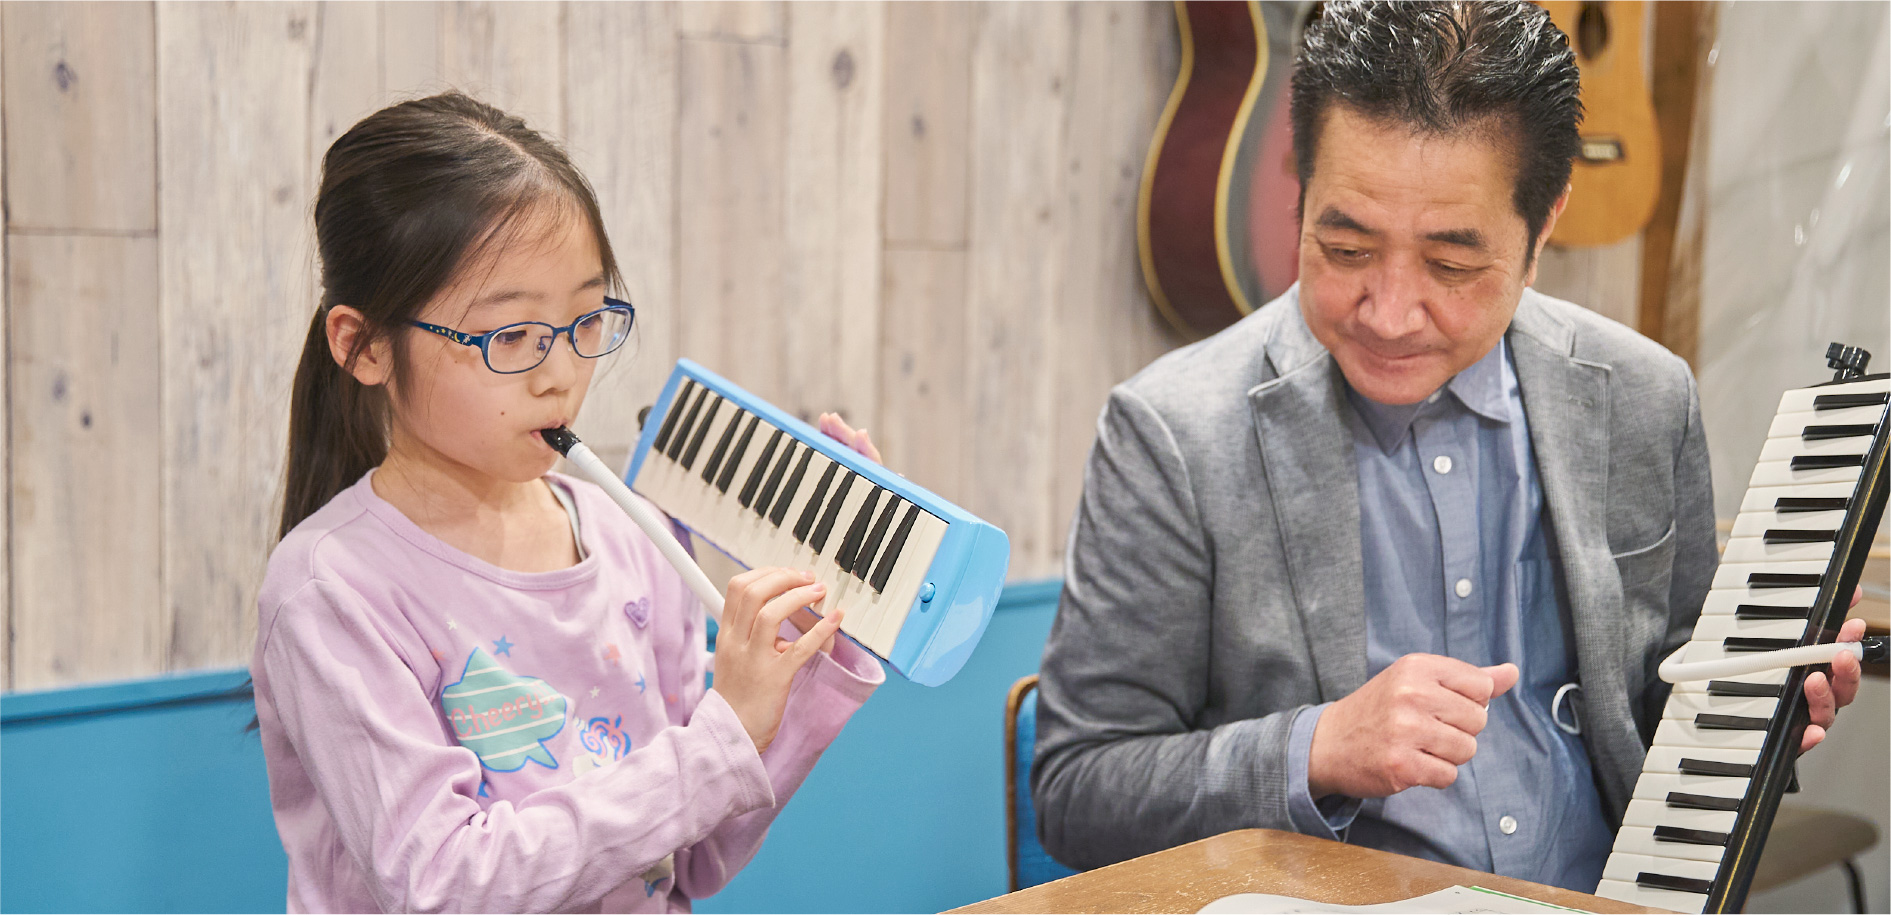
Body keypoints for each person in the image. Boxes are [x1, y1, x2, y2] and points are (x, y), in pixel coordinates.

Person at [1031, 0, 1865, 892]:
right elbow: (1079, 791)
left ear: (1542, 229)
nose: (1389, 313)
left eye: (1451, 265)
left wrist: (1759, 709)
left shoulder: (1641, 397)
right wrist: (1315, 748)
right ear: (1298, 192)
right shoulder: (1173, 432)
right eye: (1344, 247)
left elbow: (1671, 711)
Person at [251, 92, 886, 912]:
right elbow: (441, 884)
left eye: (587, 319)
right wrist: (715, 746)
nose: (560, 373)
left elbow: (689, 858)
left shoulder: (630, 534)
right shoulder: (330, 589)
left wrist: (794, 674)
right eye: (510, 336)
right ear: (365, 345)